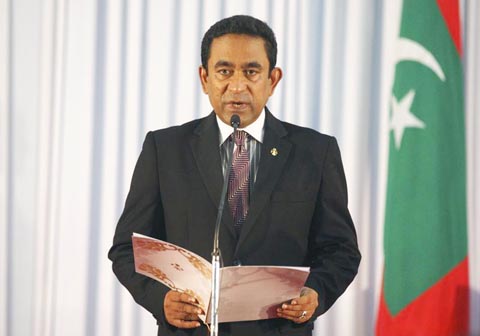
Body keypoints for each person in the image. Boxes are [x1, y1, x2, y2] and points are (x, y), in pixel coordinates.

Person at [108, 15, 361, 336]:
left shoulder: (315, 151)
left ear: (273, 79)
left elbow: (341, 249)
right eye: (224, 71)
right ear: (204, 78)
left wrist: (315, 293)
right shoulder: (165, 148)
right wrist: (161, 299)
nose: (237, 85)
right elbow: (127, 248)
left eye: (252, 72)